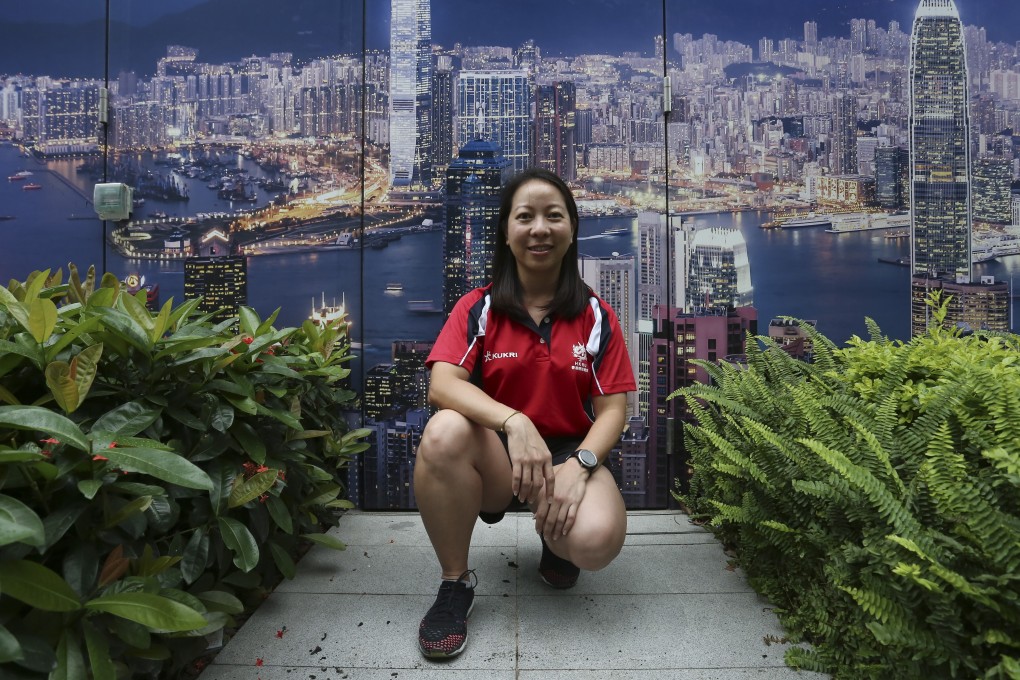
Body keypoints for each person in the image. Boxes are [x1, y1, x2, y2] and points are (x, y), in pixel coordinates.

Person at [414, 168, 636, 659]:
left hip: (565, 459)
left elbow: (613, 410)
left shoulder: (597, 315)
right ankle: (454, 583)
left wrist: (580, 465)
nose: (540, 229)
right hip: (500, 457)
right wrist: (514, 422)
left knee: (598, 540)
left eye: (553, 216)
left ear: (572, 228)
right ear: (506, 232)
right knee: (443, 431)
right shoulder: (479, 308)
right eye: (525, 217)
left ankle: (557, 542)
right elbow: (442, 384)